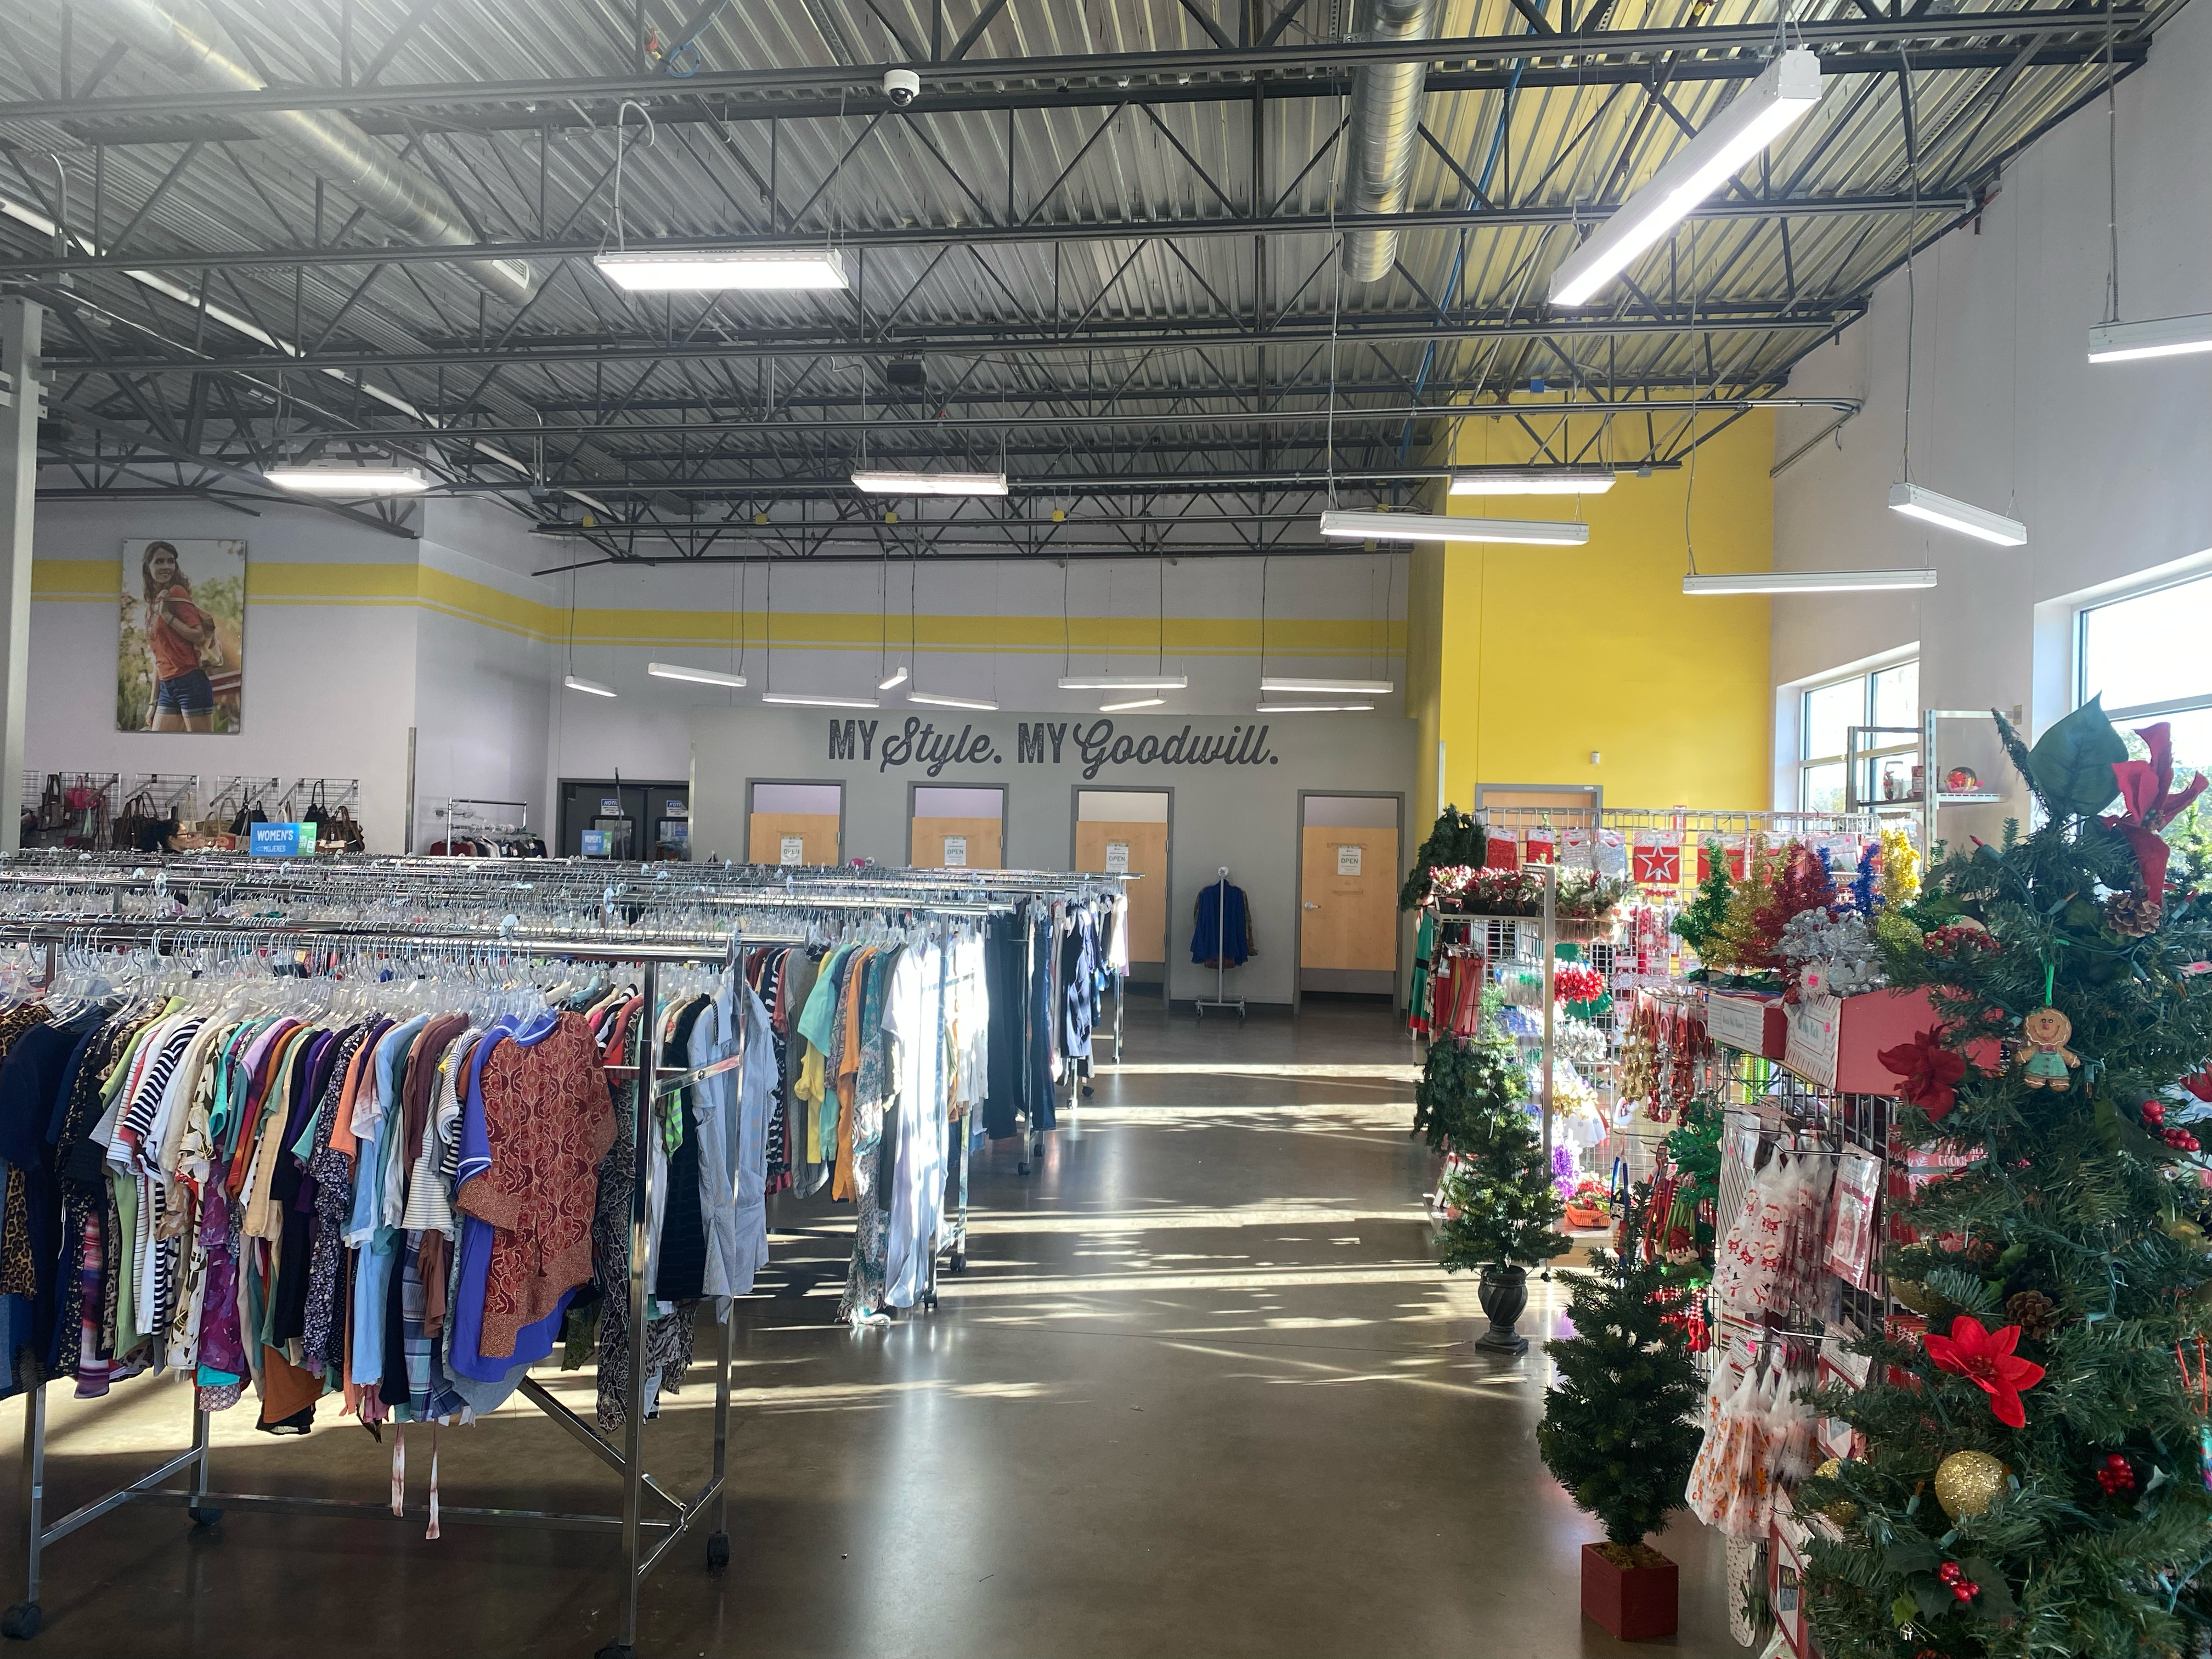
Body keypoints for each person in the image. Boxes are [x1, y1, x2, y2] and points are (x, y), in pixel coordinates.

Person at [140, 541, 216, 732]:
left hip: (191, 683)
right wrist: (153, 703)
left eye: (171, 561)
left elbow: (199, 635)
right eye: (159, 562)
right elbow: (159, 658)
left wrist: (167, 615)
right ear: (148, 567)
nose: (166, 566)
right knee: (158, 744)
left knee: (201, 746)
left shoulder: (176, 593)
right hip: (167, 688)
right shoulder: (152, 605)